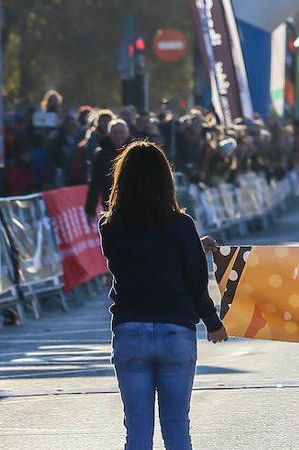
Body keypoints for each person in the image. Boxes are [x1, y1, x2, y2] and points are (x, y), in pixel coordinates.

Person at [99, 140, 228, 450]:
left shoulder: (110, 226)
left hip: (130, 329)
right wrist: (213, 322)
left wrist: (192, 244)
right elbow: (195, 281)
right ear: (165, 179)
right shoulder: (182, 226)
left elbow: (141, 253)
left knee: (138, 433)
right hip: (175, 330)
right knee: (177, 429)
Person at [86, 118, 131, 221]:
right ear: (109, 134)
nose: (118, 136)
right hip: (110, 204)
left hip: (135, 203)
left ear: (127, 133)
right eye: (115, 132)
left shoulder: (137, 152)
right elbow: (95, 183)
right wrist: (90, 209)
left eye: (122, 132)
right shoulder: (101, 155)